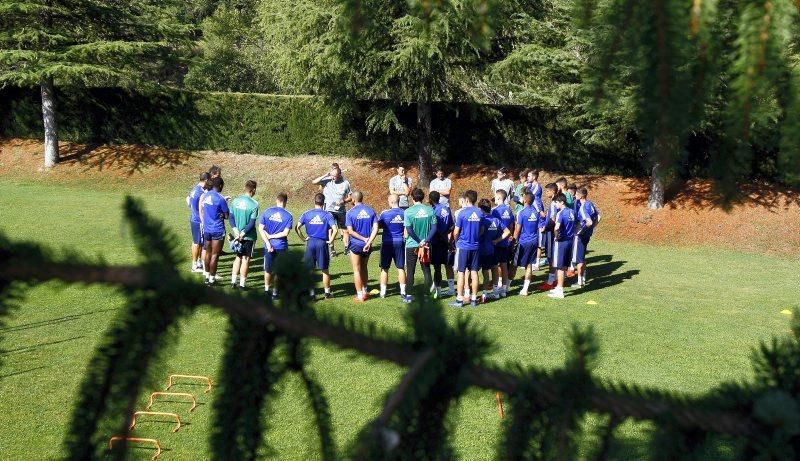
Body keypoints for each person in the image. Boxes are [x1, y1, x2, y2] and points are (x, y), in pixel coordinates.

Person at [296, 193, 338, 299]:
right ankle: (327, 293)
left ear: (314, 201)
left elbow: (297, 227)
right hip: (322, 243)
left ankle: (312, 294)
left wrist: (303, 238)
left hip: (310, 243)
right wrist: (331, 240)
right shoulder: (327, 215)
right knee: (324, 269)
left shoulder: (307, 214)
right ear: (323, 203)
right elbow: (335, 229)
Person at [450, 190, 483, 308]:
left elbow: (456, 232)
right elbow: (482, 229)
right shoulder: (480, 213)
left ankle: (459, 300)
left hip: (463, 246)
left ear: (467, 200)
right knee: (474, 272)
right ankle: (474, 299)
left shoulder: (462, 213)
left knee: (461, 272)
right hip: (475, 246)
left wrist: (457, 240)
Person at [258, 192, 293, 298]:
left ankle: (266, 289)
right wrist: (272, 237)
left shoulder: (267, 212)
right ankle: (275, 292)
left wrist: (268, 242)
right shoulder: (288, 215)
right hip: (281, 246)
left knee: (267, 269)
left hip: (268, 246)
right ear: (285, 202)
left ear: (276, 200)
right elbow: (285, 233)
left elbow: (260, 228)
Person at [312, 164, 352, 257]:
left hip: (341, 211)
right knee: (330, 230)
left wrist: (344, 201)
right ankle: (331, 249)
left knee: (345, 230)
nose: (333, 178)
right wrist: (326, 175)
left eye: (335, 176)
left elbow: (350, 197)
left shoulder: (346, 183)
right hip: (328, 210)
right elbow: (314, 182)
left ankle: (347, 248)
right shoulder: (327, 180)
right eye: (332, 176)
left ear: (340, 175)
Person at [346, 191, 378, 302]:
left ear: (353, 200)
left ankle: (360, 295)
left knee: (356, 270)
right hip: (367, 245)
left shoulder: (350, 213)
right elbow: (376, 228)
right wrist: (368, 241)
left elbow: (350, 231)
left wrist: (363, 239)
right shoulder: (371, 210)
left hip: (356, 244)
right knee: (364, 267)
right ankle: (365, 291)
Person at [404, 188, 437, 297]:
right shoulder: (430, 210)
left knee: (410, 270)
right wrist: (425, 241)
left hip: (412, 245)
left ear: (412, 198)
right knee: (426, 269)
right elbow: (434, 228)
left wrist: (419, 241)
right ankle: (427, 294)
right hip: (426, 245)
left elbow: (409, 229)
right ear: (423, 198)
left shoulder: (408, 211)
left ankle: (408, 294)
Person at [228, 180, 260, 289]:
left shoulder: (235, 201)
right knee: (246, 259)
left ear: (245, 188)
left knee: (238, 257)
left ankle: (233, 282)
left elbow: (231, 217)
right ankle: (242, 284)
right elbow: (251, 223)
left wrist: (236, 231)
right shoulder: (254, 204)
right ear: (254, 190)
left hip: (237, 235)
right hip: (249, 236)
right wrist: (242, 234)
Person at [378, 194, 410, 301]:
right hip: (399, 242)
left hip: (387, 242)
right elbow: (406, 228)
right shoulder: (405, 213)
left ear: (391, 202)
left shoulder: (384, 214)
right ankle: (403, 292)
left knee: (384, 268)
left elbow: (379, 226)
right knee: (400, 267)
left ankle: (383, 292)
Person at [200, 177, 229, 285]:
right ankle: (212, 279)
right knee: (215, 255)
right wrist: (222, 214)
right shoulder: (220, 199)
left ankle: (207, 276)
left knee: (207, 253)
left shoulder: (206, 195)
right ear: (220, 186)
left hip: (207, 229)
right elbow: (226, 215)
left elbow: (203, 209)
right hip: (217, 229)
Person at [478, 198, 508, 303]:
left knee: (485, 273)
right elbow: (507, 231)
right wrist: (497, 240)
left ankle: (484, 295)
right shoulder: (496, 220)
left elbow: (479, 233)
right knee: (495, 269)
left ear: (481, 209)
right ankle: (495, 293)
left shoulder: (483, 220)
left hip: (483, 250)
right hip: (494, 249)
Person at [572, 187, 601, 287]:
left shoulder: (583, 208)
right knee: (582, 256)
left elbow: (589, 221)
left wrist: (581, 231)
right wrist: (592, 228)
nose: (575, 196)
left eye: (576, 194)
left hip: (580, 236)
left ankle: (580, 281)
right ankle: (583, 278)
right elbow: (599, 217)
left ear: (581, 195)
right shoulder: (590, 204)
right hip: (587, 235)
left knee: (578, 259)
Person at [513, 193, 541, 296]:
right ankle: (525, 289)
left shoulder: (522, 212)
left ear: (524, 200)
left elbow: (518, 230)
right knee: (529, 265)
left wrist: (513, 241)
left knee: (514, 264)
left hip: (524, 242)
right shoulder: (535, 212)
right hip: (534, 241)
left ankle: (506, 287)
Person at [549, 194, 576, 299]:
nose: (555, 204)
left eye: (556, 202)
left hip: (561, 242)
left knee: (559, 266)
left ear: (561, 202)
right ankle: (558, 287)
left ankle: (560, 289)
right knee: (564, 265)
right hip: (570, 241)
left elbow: (557, 228)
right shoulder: (572, 212)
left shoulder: (561, 213)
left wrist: (556, 237)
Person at [429, 190, 455, 298]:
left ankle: (438, 291)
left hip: (437, 241)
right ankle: (451, 288)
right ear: (439, 199)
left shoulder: (433, 211)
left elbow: (434, 227)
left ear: (430, 200)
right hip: (446, 241)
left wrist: (442, 235)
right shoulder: (447, 209)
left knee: (437, 266)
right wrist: (447, 234)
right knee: (448, 264)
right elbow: (452, 225)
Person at [491, 190, 515, 297]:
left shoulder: (494, 211)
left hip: (496, 242)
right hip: (506, 242)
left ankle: (496, 288)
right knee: (504, 265)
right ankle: (504, 289)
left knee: (495, 266)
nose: (494, 198)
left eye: (495, 197)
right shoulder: (509, 210)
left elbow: (492, 225)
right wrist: (510, 236)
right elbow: (511, 225)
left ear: (499, 198)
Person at [186, 172, 210, 273]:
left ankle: (198, 262)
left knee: (197, 242)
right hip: (198, 220)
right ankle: (194, 265)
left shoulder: (195, 189)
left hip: (194, 218)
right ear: (206, 180)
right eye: (209, 180)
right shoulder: (200, 192)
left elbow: (187, 199)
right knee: (197, 243)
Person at [538, 182, 559, 290]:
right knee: (552, 256)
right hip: (552, 232)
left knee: (551, 257)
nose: (546, 193)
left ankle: (551, 282)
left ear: (553, 191)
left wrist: (545, 228)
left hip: (551, 233)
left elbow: (553, 219)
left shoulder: (554, 203)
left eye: (547, 191)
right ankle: (554, 279)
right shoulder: (555, 201)